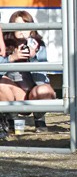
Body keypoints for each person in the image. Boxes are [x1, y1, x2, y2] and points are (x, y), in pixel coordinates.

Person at [0, 10, 56, 138]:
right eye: (17, 25)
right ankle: (11, 119)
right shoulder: (4, 45)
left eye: (25, 25)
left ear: (31, 29)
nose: (22, 30)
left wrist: (33, 56)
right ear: (11, 28)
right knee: (1, 83)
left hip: (32, 92)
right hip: (15, 92)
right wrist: (11, 58)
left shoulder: (39, 46)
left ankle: (39, 119)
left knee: (43, 89)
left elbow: (42, 79)